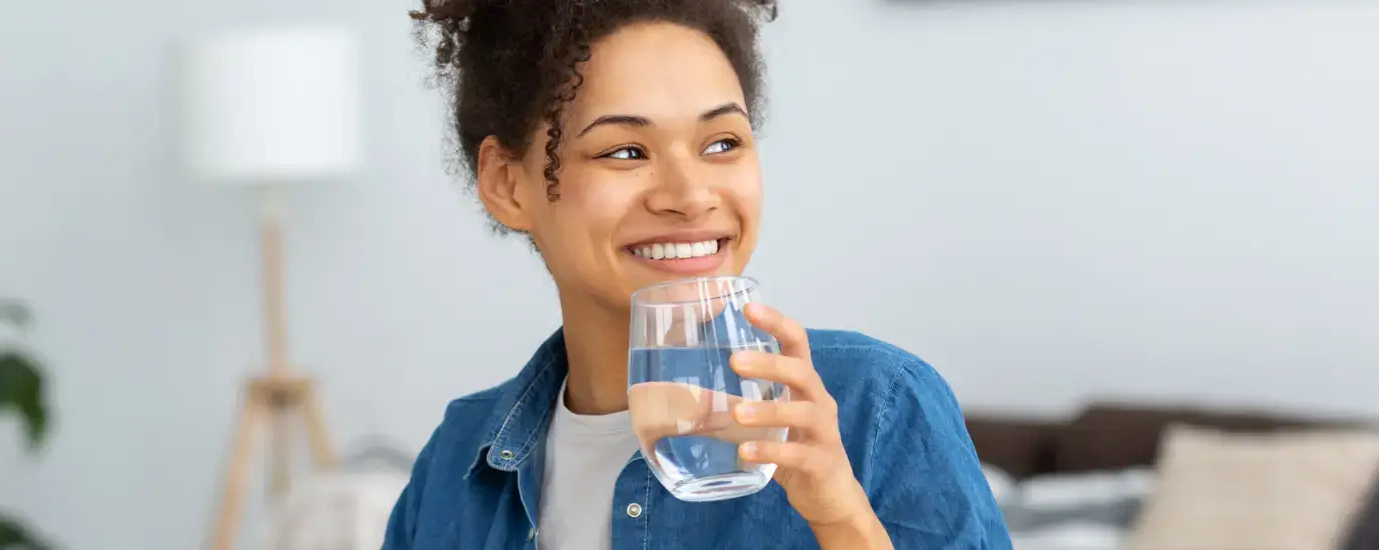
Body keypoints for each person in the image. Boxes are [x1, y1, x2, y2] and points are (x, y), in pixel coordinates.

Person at [385, 0, 1012, 548]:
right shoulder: (457, 461)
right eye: (624, 152)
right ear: (506, 183)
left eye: (722, 144)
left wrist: (842, 519)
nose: (690, 195)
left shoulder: (878, 405)